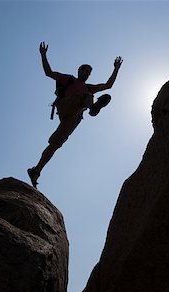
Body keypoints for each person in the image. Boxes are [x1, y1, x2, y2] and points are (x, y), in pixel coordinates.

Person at [28, 41, 123, 188]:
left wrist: (116, 69)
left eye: (89, 73)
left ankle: (36, 170)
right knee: (86, 96)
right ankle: (93, 108)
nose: (87, 74)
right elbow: (49, 73)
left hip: (74, 117)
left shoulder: (89, 87)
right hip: (66, 105)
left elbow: (108, 85)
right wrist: (43, 55)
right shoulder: (70, 79)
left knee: (55, 144)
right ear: (79, 71)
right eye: (85, 71)